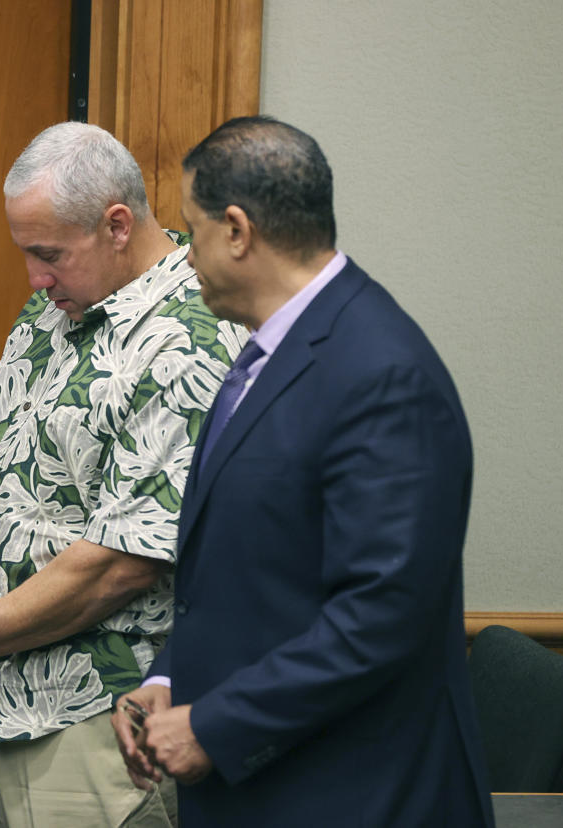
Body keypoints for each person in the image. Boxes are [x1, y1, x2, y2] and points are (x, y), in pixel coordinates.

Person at [0, 122, 245, 826]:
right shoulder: (55, 308)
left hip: (100, 716)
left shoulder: (193, 333)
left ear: (117, 224)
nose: (34, 277)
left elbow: (121, 565)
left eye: (49, 254)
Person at [111, 116, 495, 826]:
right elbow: (242, 572)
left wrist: (216, 723)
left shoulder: (381, 371)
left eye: (189, 231)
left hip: (353, 795)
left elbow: (382, 614)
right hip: (268, 791)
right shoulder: (267, 356)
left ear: (236, 230)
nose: (183, 256)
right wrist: (169, 677)